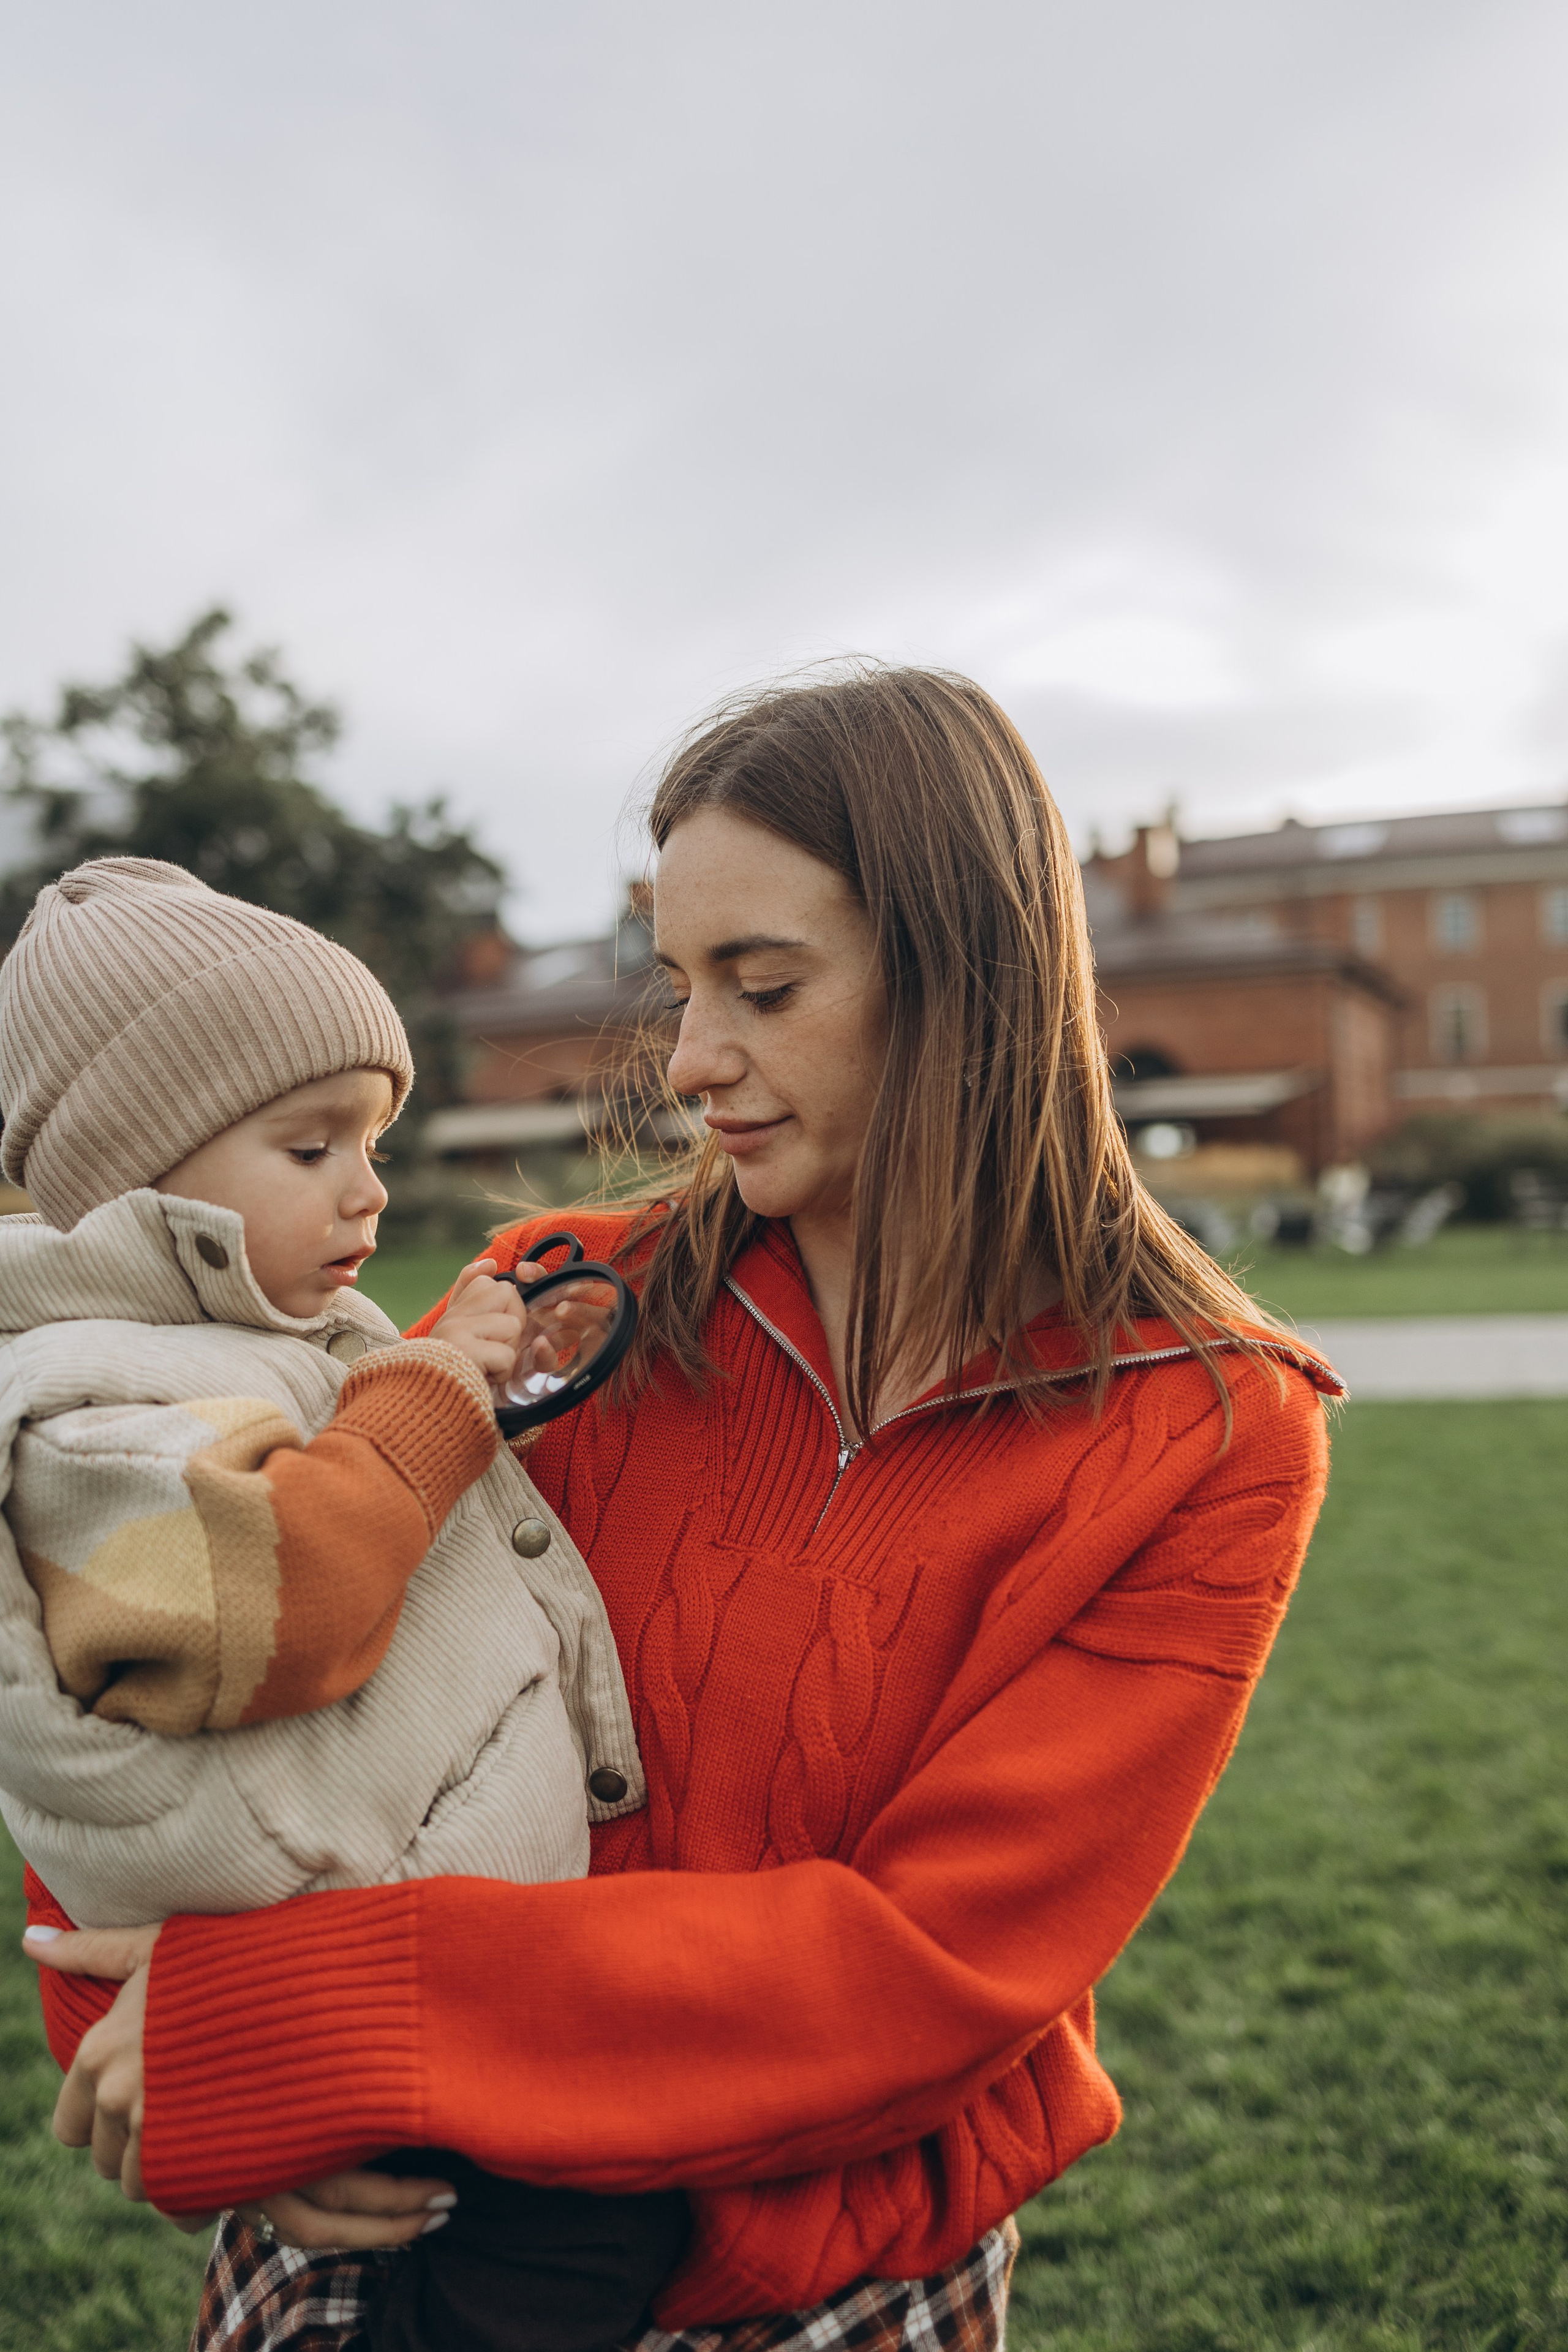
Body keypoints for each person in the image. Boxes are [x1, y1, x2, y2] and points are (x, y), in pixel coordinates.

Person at [28, 669, 1342, 2352]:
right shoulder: (551, 1304)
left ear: (968, 977)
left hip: (827, 2270)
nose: (694, 1058)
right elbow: (177, 1611)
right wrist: (160, 2043)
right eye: (677, 984)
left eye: (765, 986)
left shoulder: (1212, 1434)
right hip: (409, 2216)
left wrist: (332, 2020)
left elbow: (929, 1966)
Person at [0, 856, 688, 2352]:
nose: (368, 1188)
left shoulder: (252, 1343)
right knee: (568, 2242)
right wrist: (434, 1396)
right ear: (139, 1175)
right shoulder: (79, 1400)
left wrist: (449, 1378)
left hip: (408, 1975)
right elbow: (280, 1602)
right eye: (309, 1145)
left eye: (371, 1139)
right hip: (337, 1977)